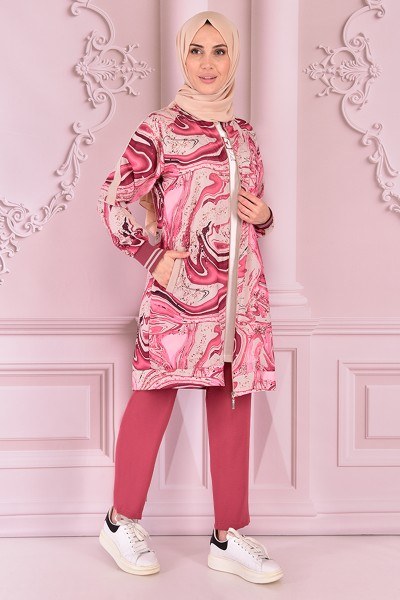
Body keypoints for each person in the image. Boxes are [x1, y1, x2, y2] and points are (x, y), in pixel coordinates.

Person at [97, 11, 282, 585]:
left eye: (219, 51)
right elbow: (113, 197)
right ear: (183, 57)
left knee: (232, 404)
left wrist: (265, 216)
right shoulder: (159, 129)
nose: (207, 63)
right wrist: (150, 256)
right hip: (178, 297)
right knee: (154, 397)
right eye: (197, 51)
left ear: (233, 58)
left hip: (238, 301)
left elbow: (249, 212)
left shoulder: (243, 133)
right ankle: (119, 521)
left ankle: (228, 535)